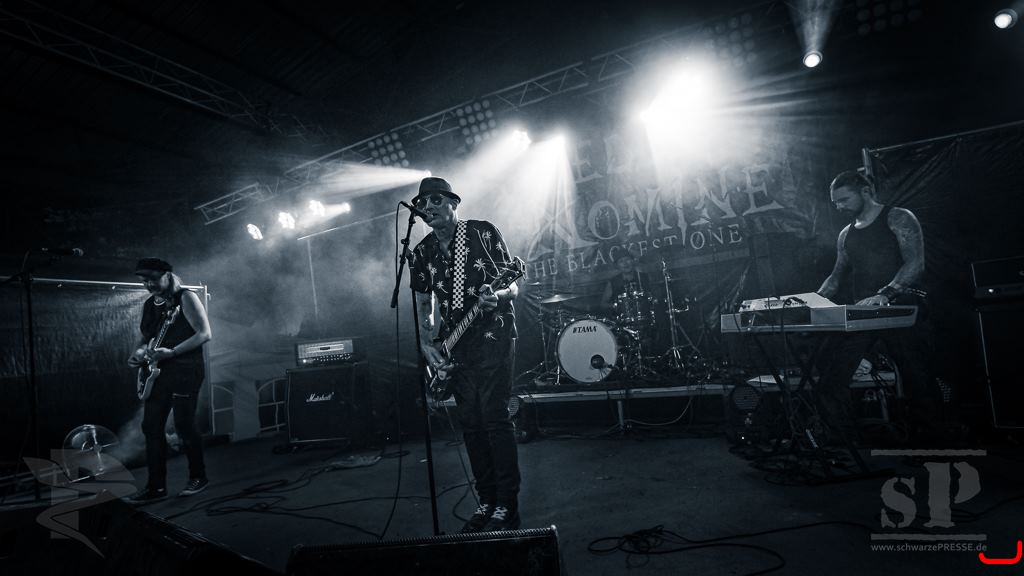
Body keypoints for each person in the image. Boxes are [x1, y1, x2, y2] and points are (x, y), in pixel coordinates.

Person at [408, 177, 522, 532]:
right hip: (455, 346)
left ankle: (507, 504)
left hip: (493, 337)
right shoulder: (422, 252)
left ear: (454, 203)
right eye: (423, 203)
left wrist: (497, 296)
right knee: (471, 424)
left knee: (494, 418)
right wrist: (427, 343)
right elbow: (424, 303)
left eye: (436, 200)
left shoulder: (482, 232)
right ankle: (486, 499)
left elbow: (512, 284)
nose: (428, 207)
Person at [815, 170, 940, 442]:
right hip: (864, 312)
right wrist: (809, 300)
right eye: (835, 202)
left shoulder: (898, 217)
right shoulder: (845, 234)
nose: (839, 207)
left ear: (865, 192)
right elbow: (836, 277)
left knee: (917, 377)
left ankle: (932, 442)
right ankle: (842, 441)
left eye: (844, 200)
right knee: (832, 372)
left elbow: (915, 263)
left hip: (901, 305)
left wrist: (886, 294)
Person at [127, 258, 212, 502]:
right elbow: (146, 338)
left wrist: (173, 352)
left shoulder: (186, 297)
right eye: (144, 281)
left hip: (186, 370)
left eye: (153, 279)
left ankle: (199, 476)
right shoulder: (149, 305)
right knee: (151, 426)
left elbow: (205, 333)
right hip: (158, 373)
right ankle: (156, 487)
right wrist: (137, 353)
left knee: (184, 425)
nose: (148, 284)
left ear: (167, 275)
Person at [600, 250, 652, 318]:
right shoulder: (613, 282)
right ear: (617, 265)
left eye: (627, 259)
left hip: (645, 316)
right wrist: (617, 306)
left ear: (632, 261)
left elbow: (654, 296)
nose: (625, 263)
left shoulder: (643, 277)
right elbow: (603, 304)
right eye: (621, 261)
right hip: (623, 319)